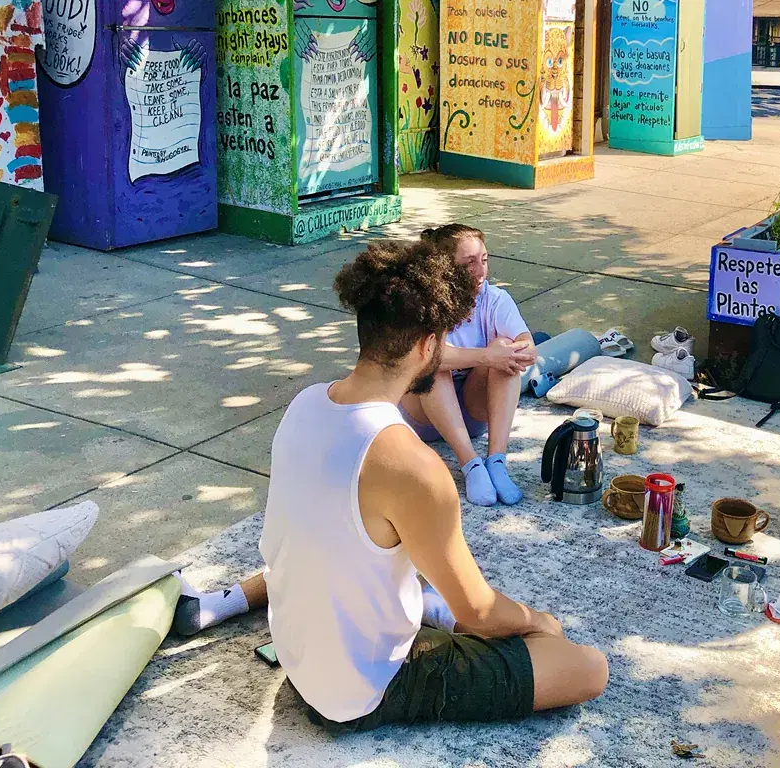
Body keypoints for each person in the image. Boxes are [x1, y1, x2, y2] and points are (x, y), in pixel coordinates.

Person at [243, 240, 605, 727]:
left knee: (417, 571)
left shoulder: (306, 402)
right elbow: (479, 613)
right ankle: (435, 619)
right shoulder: (411, 464)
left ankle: (427, 610)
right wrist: (541, 623)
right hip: (360, 691)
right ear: (425, 346)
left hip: (299, 654)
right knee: (587, 668)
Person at [401, 224, 537, 508]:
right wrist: (487, 356)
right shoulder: (425, 302)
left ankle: (496, 462)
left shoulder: (495, 299)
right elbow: (426, 356)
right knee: (434, 364)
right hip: (422, 418)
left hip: (473, 416)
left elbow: (528, 347)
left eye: (484, 259)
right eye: (469, 263)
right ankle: (471, 464)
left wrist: (509, 352)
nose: (480, 271)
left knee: (505, 351)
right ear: (444, 268)